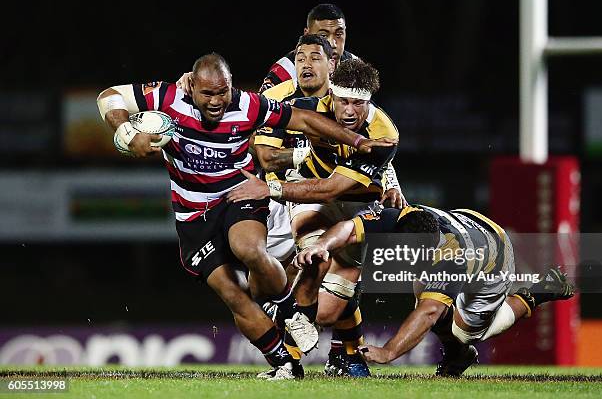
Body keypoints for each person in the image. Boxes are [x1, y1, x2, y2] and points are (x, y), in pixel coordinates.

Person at [96, 52, 393, 380]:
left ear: (231, 86)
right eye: (207, 94)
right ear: (191, 86)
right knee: (233, 293)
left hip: (240, 194)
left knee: (249, 248)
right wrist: (126, 131)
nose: (216, 101)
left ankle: (290, 310)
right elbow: (109, 96)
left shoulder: (249, 105)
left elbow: (304, 120)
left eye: (222, 92)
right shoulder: (168, 97)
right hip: (193, 214)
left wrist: (356, 140)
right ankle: (285, 363)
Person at [227, 58, 400, 377]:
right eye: (344, 101)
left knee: (328, 311)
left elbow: (331, 189)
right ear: (331, 93)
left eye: (358, 104)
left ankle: (328, 341)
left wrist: (269, 188)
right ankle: (294, 342)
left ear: (369, 102)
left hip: (356, 205)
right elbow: (247, 113)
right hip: (308, 200)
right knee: (312, 257)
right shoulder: (303, 107)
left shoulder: (384, 134)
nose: (349, 111)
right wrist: (192, 85)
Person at [294, 204, 576, 376]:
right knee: (425, 292)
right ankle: (457, 356)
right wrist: (322, 245)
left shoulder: (450, 258)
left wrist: (388, 352)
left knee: (465, 331)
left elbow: (429, 313)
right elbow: (346, 229)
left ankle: (537, 292)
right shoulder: (403, 217)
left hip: (493, 256)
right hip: (470, 220)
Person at [259, 3, 357, 93]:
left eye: (339, 34)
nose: (333, 44)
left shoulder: (355, 65)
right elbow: (261, 106)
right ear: (307, 34)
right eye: (323, 36)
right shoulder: (286, 70)